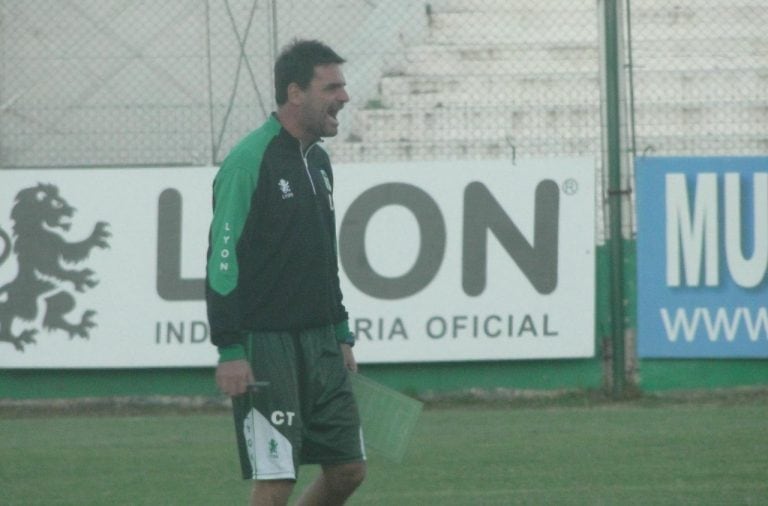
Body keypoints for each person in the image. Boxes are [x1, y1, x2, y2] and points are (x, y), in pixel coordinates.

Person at [205, 39, 366, 506]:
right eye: (332, 87)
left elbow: (322, 254)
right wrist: (230, 348)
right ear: (296, 94)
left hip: (320, 342)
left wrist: (340, 332)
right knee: (277, 481)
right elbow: (222, 258)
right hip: (266, 344)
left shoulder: (319, 161)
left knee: (348, 470)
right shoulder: (248, 161)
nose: (344, 97)